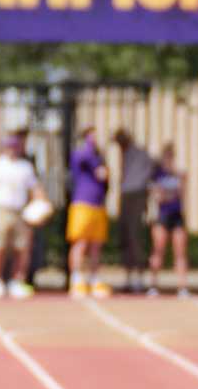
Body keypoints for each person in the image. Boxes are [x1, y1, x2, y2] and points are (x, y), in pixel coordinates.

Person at [0, 132, 47, 300]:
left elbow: (35, 189)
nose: (12, 150)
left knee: (21, 248)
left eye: (15, 146)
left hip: (20, 211)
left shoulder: (25, 166)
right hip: (0, 209)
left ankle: (17, 281)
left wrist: (42, 204)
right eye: (9, 146)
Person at [65, 124, 113, 298]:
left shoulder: (99, 157)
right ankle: (77, 279)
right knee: (81, 243)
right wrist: (92, 149)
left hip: (98, 205)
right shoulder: (83, 154)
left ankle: (93, 279)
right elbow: (91, 167)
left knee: (96, 246)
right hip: (82, 204)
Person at [147, 143, 191, 296]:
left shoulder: (178, 174)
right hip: (162, 216)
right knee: (158, 250)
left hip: (177, 215)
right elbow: (158, 196)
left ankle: (182, 287)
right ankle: (153, 285)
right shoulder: (157, 175)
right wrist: (165, 193)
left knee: (180, 252)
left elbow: (182, 193)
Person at [113, 128, 153, 292]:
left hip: (136, 195)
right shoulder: (125, 153)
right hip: (126, 195)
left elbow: (151, 169)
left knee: (135, 237)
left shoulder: (140, 154)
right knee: (126, 237)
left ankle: (138, 277)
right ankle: (129, 276)